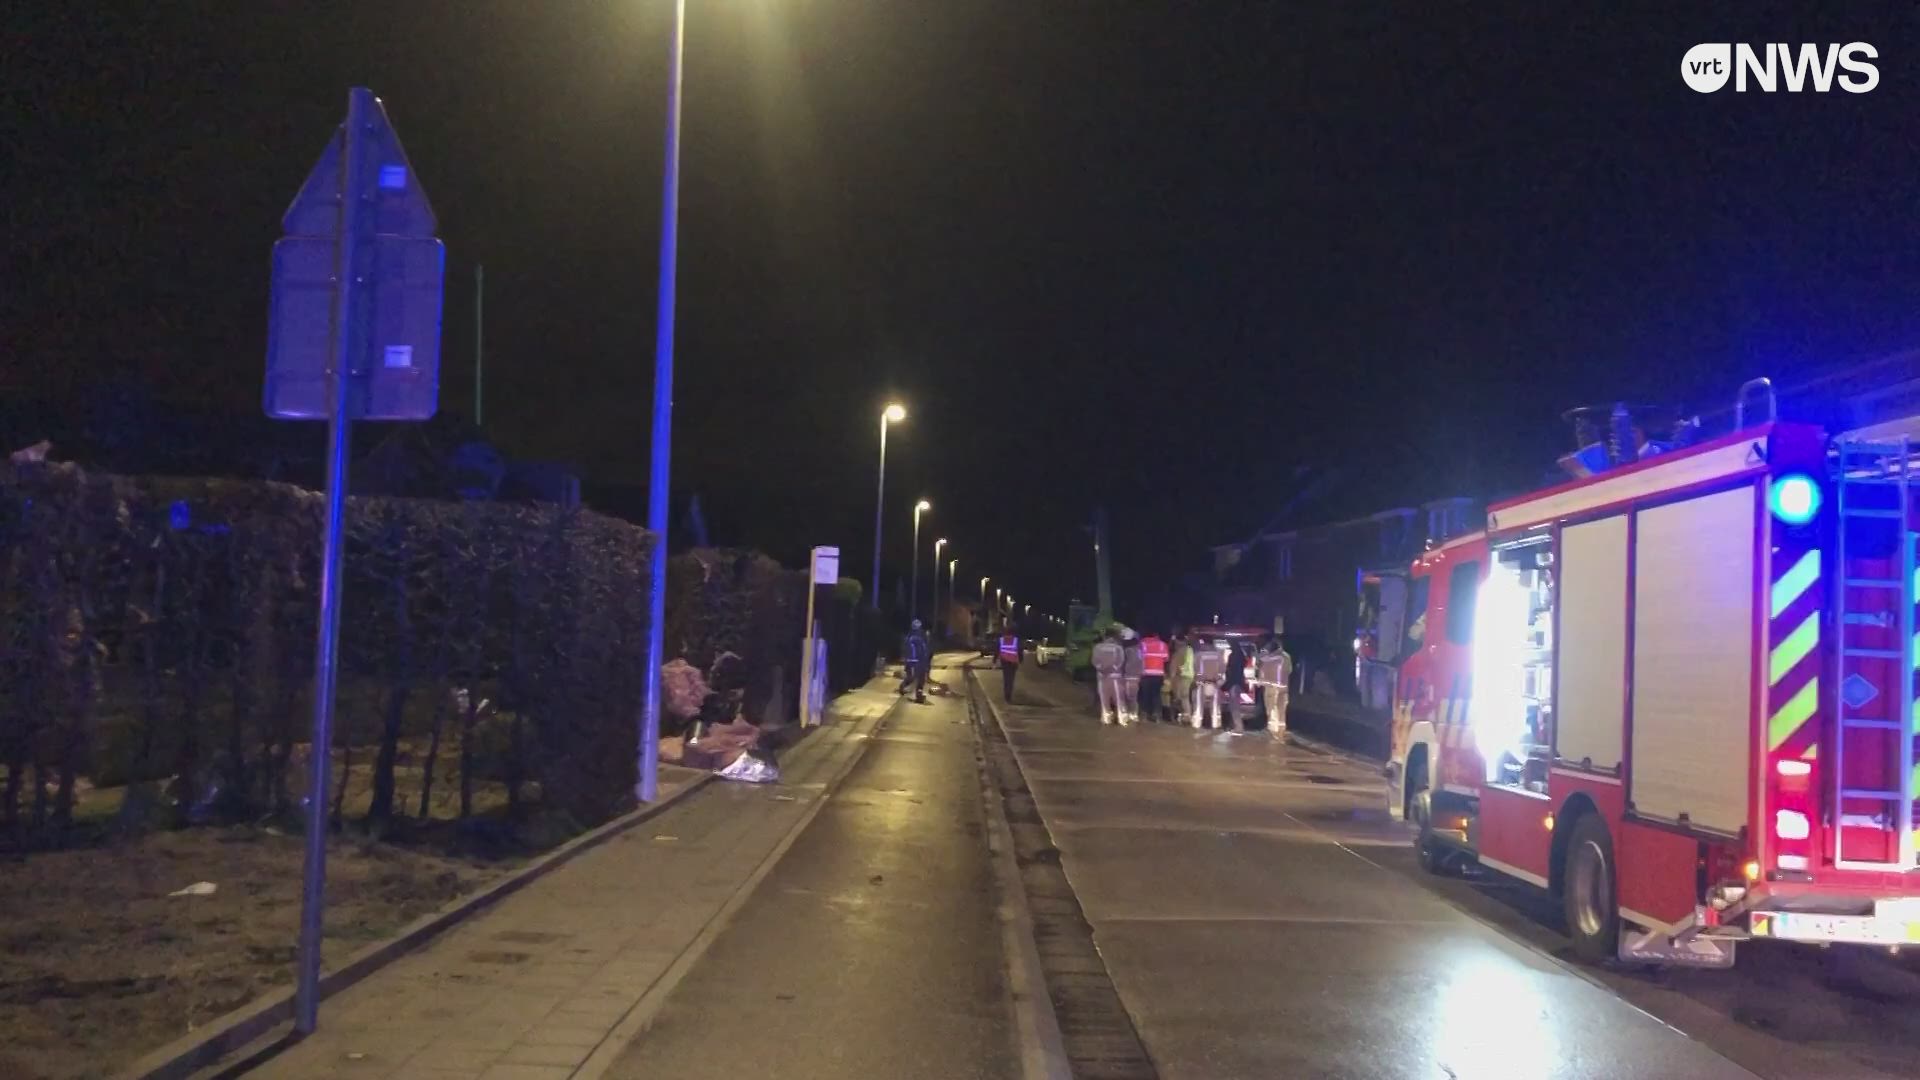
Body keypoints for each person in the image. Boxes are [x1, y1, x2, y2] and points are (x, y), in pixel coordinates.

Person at [1256, 634, 1292, 735]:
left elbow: (1261, 667)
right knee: (1281, 708)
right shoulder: (1286, 656)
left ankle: (1272, 730)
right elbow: (1289, 670)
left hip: (1271, 686)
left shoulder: (1268, 657)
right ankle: (1281, 729)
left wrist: (1260, 681)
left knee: (1271, 707)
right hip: (1284, 686)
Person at [1091, 628, 1126, 725]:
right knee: (1118, 698)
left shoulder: (1097, 647)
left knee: (1104, 698)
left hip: (1102, 677)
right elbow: (1120, 661)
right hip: (1115, 677)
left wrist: (1102, 669)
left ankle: (1106, 718)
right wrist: (1112, 668)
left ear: (1105, 636)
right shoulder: (1118, 648)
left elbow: (1094, 661)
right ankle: (1121, 718)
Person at [1190, 634, 1225, 729]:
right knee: (1215, 704)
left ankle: (1196, 724)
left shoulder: (1198, 655)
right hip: (1215, 682)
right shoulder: (1219, 655)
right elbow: (1222, 669)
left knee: (1198, 704)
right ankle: (1215, 724)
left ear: (1204, 643)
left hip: (1201, 682)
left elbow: (1195, 668)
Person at [1221, 638, 1252, 733]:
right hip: (1238, 682)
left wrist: (1226, 683)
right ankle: (1235, 726)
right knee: (1235, 705)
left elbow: (1230, 671)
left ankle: (1238, 728)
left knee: (1234, 706)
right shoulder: (1241, 656)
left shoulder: (1233, 656)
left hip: (1233, 683)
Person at [1138, 629, 1168, 722]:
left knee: (1145, 694)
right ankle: (1157, 714)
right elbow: (1166, 659)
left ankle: (1144, 714)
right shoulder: (1162, 644)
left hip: (1145, 673)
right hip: (1158, 674)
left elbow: (1138, 658)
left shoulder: (1142, 644)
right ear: (1156, 636)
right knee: (1156, 694)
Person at [1164, 631, 1192, 726]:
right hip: (1190, 677)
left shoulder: (1178, 652)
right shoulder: (1190, 650)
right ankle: (1186, 716)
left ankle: (1180, 717)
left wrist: (1170, 679)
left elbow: (1173, 667)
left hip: (1180, 678)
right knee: (1185, 698)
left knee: (1178, 698)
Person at [899, 619, 931, 703]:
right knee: (919, 678)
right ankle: (917, 693)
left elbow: (905, 649)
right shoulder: (920, 638)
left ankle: (906, 688)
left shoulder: (909, 637)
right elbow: (924, 650)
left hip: (912, 661)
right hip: (916, 661)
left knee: (914, 678)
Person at [1118, 628, 1143, 726]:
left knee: (1125, 697)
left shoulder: (1127, 650)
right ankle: (1133, 714)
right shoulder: (1139, 650)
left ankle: (1126, 714)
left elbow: (1121, 663)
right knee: (1133, 697)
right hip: (1137, 677)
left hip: (1128, 676)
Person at [997, 625, 1022, 703]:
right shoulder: (1016, 640)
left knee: (1006, 678)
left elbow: (997, 650)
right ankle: (1009, 695)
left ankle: (1006, 694)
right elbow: (1019, 650)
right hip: (1013, 662)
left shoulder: (1001, 639)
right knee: (1011, 679)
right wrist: (1020, 660)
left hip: (1004, 661)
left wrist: (994, 660)